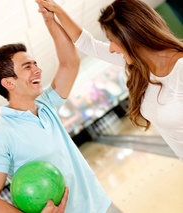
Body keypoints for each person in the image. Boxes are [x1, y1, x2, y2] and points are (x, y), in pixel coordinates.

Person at [0, 1, 122, 213]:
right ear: (9, 83)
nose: (38, 70)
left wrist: (50, 20)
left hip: (102, 205)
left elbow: (70, 63)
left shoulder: (45, 105)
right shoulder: (0, 136)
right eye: (27, 66)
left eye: (35, 64)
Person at [37, 0, 183, 161]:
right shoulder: (139, 66)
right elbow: (88, 44)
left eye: (112, 40)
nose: (111, 48)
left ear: (130, 35)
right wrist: (55, 11)